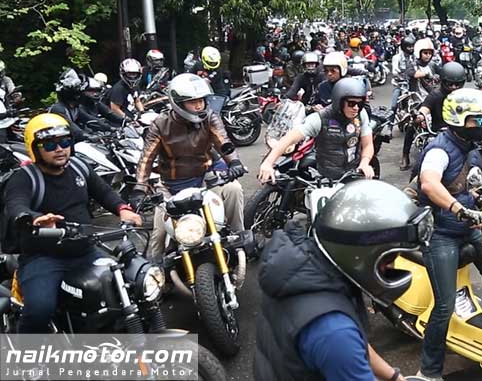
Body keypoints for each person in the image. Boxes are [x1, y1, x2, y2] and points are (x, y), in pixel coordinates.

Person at [254, 180, 418, 381]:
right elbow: (342, 341)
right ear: (360, 256)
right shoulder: (334, 331)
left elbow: (354, 342)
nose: (392, 267)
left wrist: (394, 377)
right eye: (389, 258)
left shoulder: (300, 270)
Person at [2, 113, 141, 332]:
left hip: (86, 251)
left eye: (65, 142)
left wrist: (122, 209)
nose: (59, 149)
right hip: (44, 258)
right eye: (49, 144)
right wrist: (33, 219)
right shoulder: (25, 177)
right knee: (40, 309)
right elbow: (15, 203)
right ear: (35, 148)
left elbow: (104, 192)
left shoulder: (79, 167)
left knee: (128, 290)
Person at [415, 88, 482, 381]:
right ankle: (429, 371)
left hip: (470, 229)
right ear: (460, 120)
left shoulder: (470, 149)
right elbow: (428, 184)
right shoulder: (440, 149)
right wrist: (458, 210)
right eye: (479, 120)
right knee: (445, 304)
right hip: (442, 234)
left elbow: (475, 187)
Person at [130, 73, 246, 261]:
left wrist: (234, 161)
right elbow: (146, 159)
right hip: (171, 186)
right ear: (178, 102)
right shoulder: (160, 124)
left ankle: (238, 239)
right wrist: (139, 188)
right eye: (193, 102)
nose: (199, 105)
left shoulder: (209, 117)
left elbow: (223, 140)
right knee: (158, 239)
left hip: (204, 181)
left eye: (201, 100)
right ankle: (154, 278)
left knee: (234, 189)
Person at [259, 77, 375, 183]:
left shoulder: (361, 115)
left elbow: (368, 144)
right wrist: (268, 163)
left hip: (352, 174)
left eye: (360, 104)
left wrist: (364, 163)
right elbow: (290, 138)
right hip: (327, 178)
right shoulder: (319, 119)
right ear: (339, 101)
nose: (356, 108)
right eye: (351, 103)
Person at [400, 62, 466, 171]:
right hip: (439, 134)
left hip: (460, 133)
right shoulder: (436, 94)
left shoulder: (464, 96)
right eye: (450, 84)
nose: (454, 88)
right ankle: (405, 155)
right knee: (420, 166)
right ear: (443, 82)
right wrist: (418, 116)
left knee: (475, 159)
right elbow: (425, 108)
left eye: (457, 84)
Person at [390, 35, 416, 113]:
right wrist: (399, 76)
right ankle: (390, 123)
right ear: (404, 47)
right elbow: (394, 70)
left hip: (413, 84)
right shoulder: (396, 57)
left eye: (412, 46)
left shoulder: (415, 57)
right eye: (409, 47)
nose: (411, 48)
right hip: (401, 85)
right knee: (394, 106)